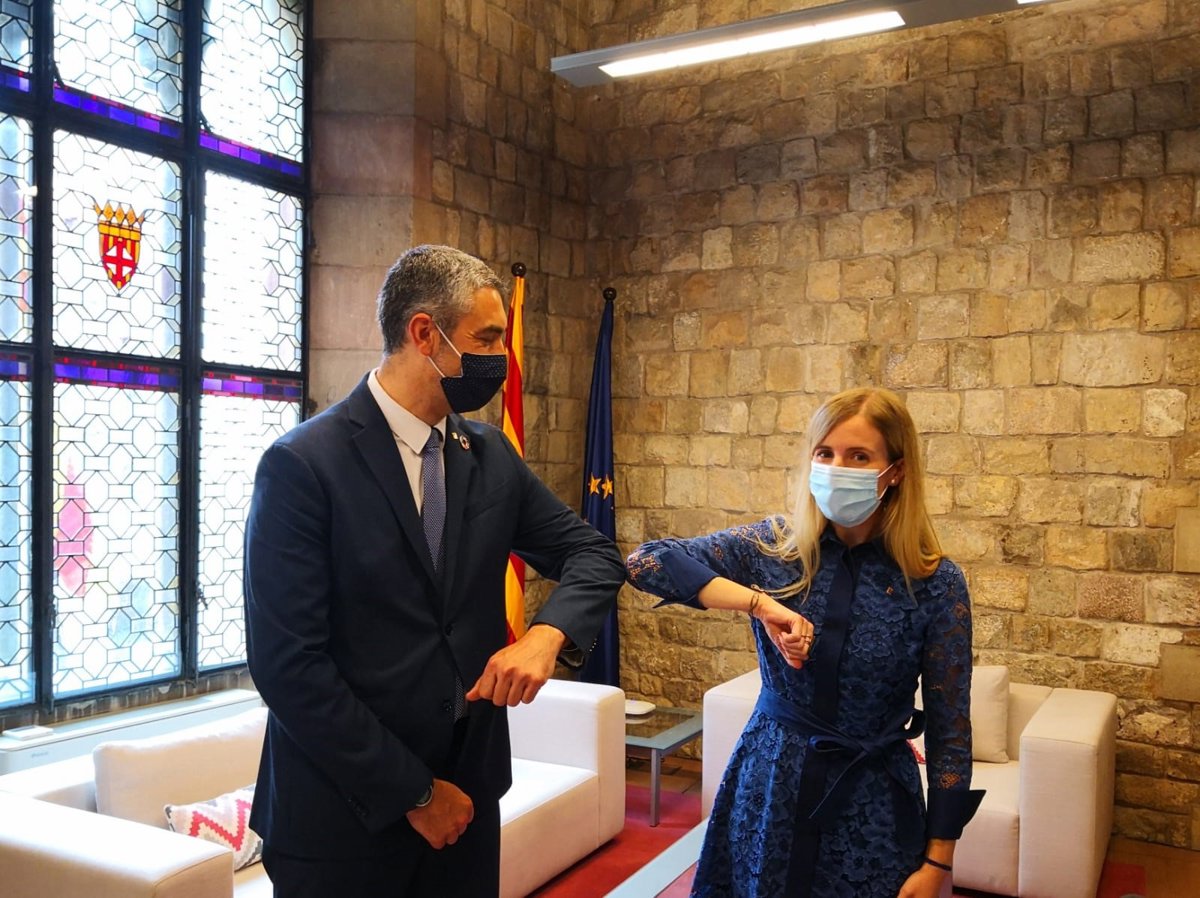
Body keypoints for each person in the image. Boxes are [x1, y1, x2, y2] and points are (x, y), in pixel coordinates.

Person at [244, 244, 626, 898]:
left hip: (469, 803)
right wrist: (416, 793)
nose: (501, 358)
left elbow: (594, 554)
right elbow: (289, 665)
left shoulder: (489, 455)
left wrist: (547, 634)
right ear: (425, 333)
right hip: (343, 819)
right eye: (487, 338)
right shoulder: (303, 465)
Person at [626, 387, 983, 898]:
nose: (837, 468)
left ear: (896, 471)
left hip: (873, 806)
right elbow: (646, 562)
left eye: (858, 456)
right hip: (770, 786)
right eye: (825, 453)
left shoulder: (935, 583)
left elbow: (951, 733)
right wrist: (758, 604)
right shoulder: (771, 548)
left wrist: (937, 863)